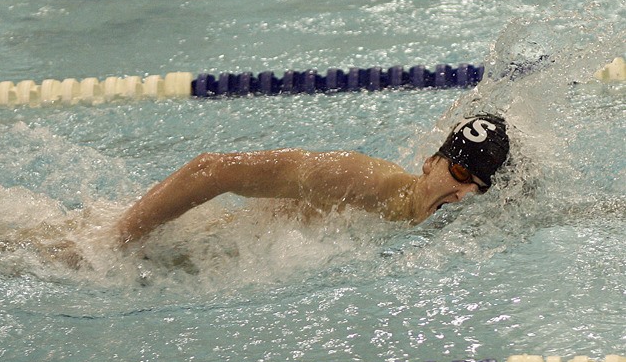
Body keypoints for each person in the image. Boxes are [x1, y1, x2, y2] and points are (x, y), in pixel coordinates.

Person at [116, 113, 509, 244]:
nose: (462, 193)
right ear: (429, 162)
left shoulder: (447, 216)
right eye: (458, 172)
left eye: (478, 185)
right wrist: (120, 238)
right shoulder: (358, 179)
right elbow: (214, 169)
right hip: (202, 247)